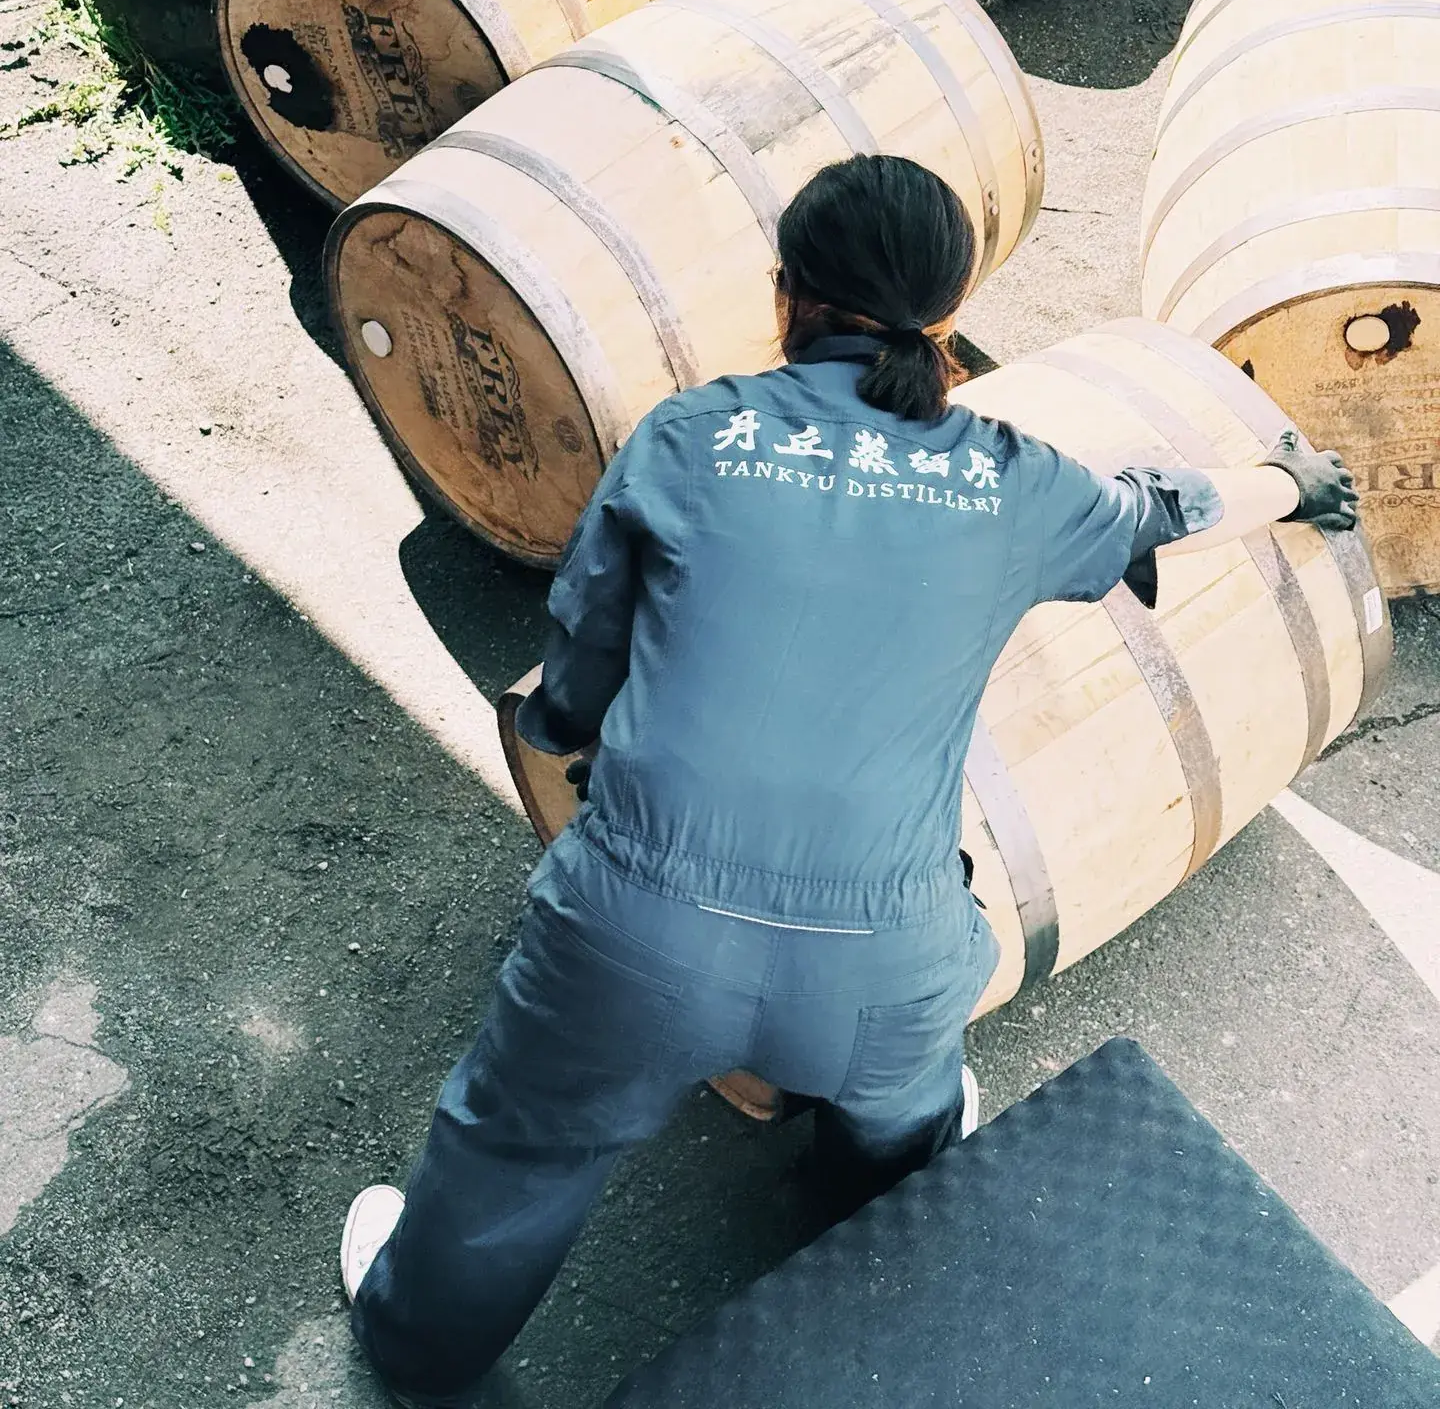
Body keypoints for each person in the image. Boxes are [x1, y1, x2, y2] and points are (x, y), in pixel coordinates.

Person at [339, 155, 1359, 1407]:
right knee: (914, 1101)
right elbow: (1163, 507)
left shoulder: (694, 438)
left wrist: (564, 726)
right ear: (948, 319)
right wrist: (1290, 487)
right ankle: (873, 1178)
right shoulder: (1010, 480)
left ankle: (415, 1344)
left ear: (787, 295)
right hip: (881, 964)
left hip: (635, 943)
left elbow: (582, 655)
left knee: (515, 1147)